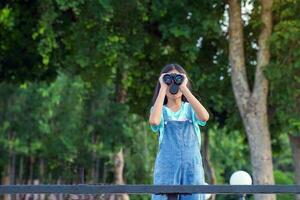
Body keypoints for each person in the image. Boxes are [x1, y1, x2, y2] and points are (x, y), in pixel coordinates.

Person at [149, 63, 209, 200]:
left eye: (178, 78)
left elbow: (204, 116)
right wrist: (163, 87)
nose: (173, 84)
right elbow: (154, 121)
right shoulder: (160, 110)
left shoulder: (190, 109)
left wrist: (184, 87)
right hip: (167, 171)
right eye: (169, 79)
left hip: (192, 170)